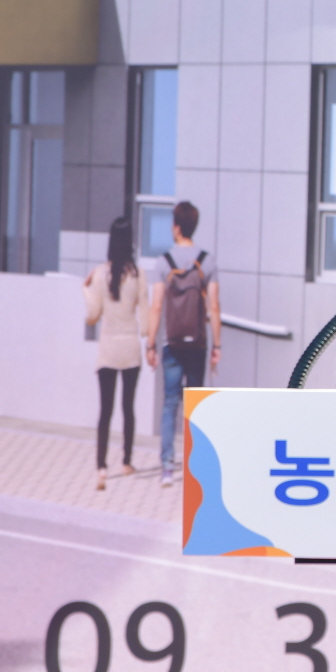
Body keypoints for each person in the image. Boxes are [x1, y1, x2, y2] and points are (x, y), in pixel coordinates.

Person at [145, 201, 221, 488]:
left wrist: (150, 344)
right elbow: (214, 307)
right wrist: (217, 345)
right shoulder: (207, 261)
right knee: (196, 405)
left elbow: (156, 307)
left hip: (172, 344)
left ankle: (167, 467)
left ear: (176, 227)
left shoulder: (164, 262)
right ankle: (195, 467)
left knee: (170, 404)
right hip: (198, 345)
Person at [83, 217, 149, 491]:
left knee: (105, 410)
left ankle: (101, 467)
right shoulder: (138, 274)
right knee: (128, 408)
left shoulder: (100, 274)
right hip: (130, 347)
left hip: (108, 348)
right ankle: (126, 462)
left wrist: (86, 289)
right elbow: (145, 321)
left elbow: (93, 315)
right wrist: (149, 339)